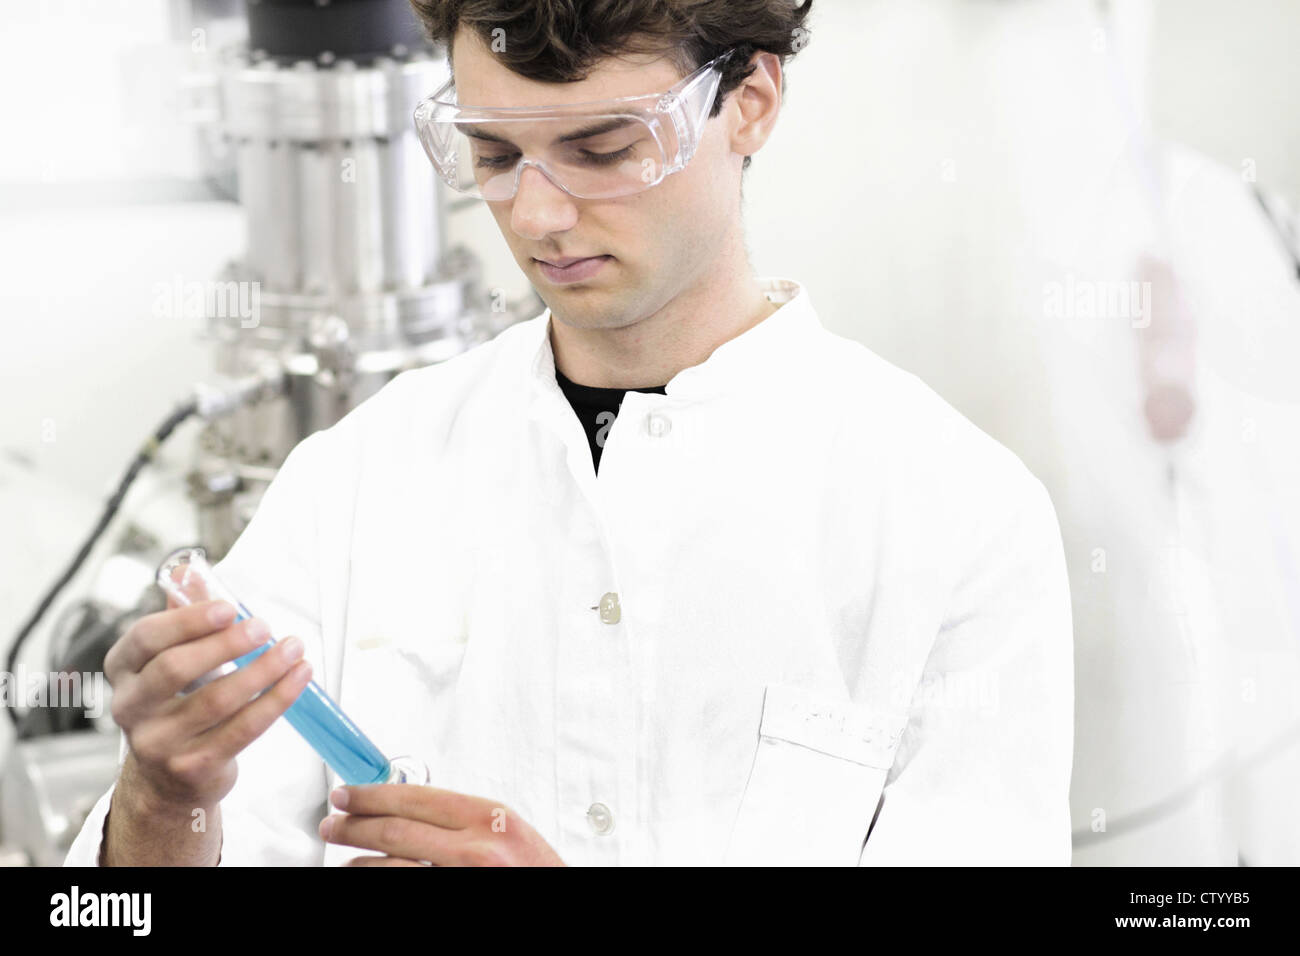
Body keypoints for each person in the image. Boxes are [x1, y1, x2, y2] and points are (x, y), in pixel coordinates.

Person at [65, 0, 1072, 866]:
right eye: (494, 153)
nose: (537, 215)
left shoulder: (958, 515)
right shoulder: (357, 480)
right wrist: (160, 798)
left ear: (750, 102)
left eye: (603, 149)